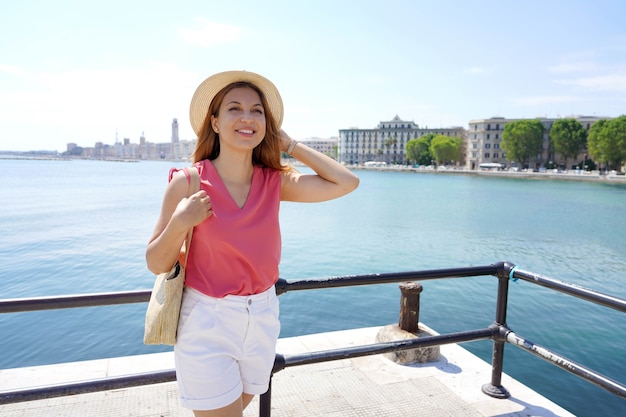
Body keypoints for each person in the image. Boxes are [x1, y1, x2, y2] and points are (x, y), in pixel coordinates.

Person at [146, 70, 359, 416]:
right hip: (207, 321)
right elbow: (155, 262)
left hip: (262, 315)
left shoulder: (274, 181)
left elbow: (346, 182)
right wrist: (181, 221)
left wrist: (289, 145)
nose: (247, 117)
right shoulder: (189, 182)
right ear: (214, 122)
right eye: (234, 108)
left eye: (257, 111)